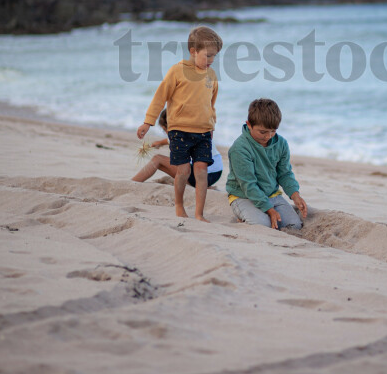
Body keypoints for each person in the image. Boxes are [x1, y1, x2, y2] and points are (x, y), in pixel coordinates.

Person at [137, 26, 222, 221]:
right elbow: (160, 97)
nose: (211, 61)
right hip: (179, 131)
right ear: (193, 51)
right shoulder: (177, 71)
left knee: (201, 170)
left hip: (203, 133)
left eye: (214, 57)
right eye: (207, 56)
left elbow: (211, 104)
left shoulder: (211, 76)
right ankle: (179, 206)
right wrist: (147, 123)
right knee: (183, 171)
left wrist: (212, 126)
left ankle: (199, 214)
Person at [226, 98, 308, 230]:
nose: (268, 136)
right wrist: (269, 210)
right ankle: (244, 216)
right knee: (262, 226)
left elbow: (285, 173)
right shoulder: (240, 149)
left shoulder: (281, 143)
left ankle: (260, 213)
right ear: (249, 124)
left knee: (294, 225)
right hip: (244, 196)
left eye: (273, 131)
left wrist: (295, 195)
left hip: (272, 195)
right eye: (263, 132)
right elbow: (249, 185)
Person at [132, 109, 224, 187]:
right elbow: (170, 140)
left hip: (202, 175)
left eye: (165, 130)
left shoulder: (179, 136)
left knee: (158, 159)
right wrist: (159, 143)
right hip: (217, 172)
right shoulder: (191, 127)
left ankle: (133, 183)